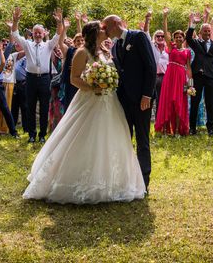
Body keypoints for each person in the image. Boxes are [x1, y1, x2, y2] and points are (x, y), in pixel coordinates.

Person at [23, 21, 146, 204]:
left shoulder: (106, 51)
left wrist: (108, 83)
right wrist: (92, 86)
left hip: (109, 101)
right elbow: (74, 78)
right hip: (89, 99)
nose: (106, 32)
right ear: (95, 33)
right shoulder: (82, 52)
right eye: (102, 30)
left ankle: (113, 181)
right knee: (85, 136)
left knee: (111, 138)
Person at [103, 14, 157, 190]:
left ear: (116, 24)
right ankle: (126, 179)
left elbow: (150, 66)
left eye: (107, 27)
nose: (105, 31)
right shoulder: (116, 45)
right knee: (125, 139)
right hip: (124, 101)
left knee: (142, 140)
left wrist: (147, 95)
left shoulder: (138, 36)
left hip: (142, 99)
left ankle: (144, 181)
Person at [10, 6, 63, 143]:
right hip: (31, 79)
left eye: (40, 33)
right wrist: (15, 20)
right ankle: (32, 134)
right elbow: (15, 34)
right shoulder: (27, 44)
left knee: (44, 107)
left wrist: (59, 22)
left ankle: (42, 135)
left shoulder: (48, 45)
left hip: (45, 79)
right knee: (30, 107)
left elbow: (58, 35)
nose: (38, 35)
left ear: (44, 33)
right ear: (32, 34)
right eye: (36, 33)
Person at [185, 12, 213, 135]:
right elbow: (188, 37)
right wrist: (193, 23)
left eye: (209, 31)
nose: (208, 33)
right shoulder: (196, 43)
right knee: (195, 102)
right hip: (197, 76)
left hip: (211, 77)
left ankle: (211, 128)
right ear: (201, 32)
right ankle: (192, 128)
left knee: (210, 103)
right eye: (205, 31)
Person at [154, 7, 191, 136]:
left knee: (179, 102)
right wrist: (165, 17)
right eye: (177, 37)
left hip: (181, 77)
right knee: (167, 101)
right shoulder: (171, 47)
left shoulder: (187, 51)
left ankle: (177, 130)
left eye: (181, 37)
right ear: (174, 38)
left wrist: (190, 84)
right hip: (170, 76)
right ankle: (165, 130)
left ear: (183, 38)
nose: (179, 38)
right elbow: (164, 32)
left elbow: (189, 68)